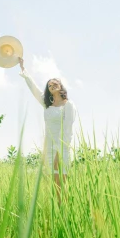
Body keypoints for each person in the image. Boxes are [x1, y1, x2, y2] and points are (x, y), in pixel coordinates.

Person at [18, 57, 76, 204]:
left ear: (61, 86)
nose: (52, 85)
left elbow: (67, 132)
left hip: (61, 149)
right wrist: (24, 70)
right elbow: (35, 90)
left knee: (61, 187)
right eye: (49, 85)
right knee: (52, 186)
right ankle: (56, 215)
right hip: (48, 149)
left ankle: (66, 213)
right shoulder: (47, 105)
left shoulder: (68, 105)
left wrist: (58, 153)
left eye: (55, 83)